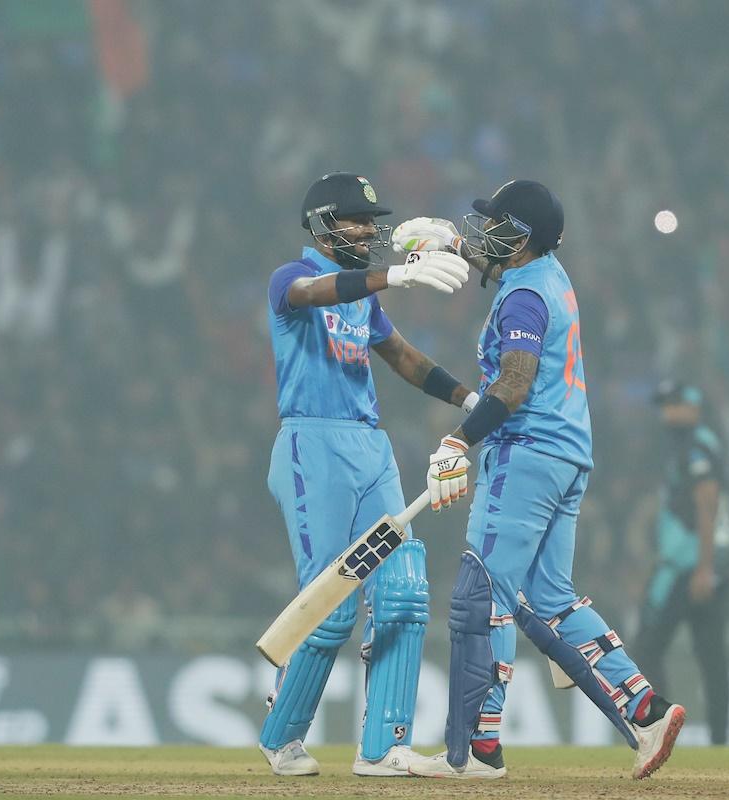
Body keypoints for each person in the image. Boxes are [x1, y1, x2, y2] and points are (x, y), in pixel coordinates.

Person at [406, 180, 685, 780]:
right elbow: (505, 270)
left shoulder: (525, 297)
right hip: (566, 456)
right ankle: (647, 708)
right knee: (551, 600)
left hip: (525, 454)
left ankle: (475, 752)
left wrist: (459, 439)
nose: (488, 231)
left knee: (482, 598)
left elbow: (515, 382)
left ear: (523, 236)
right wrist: (455, 243)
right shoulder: (548, 275)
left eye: (496, 224)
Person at [259, 172, 475, 777]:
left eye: (369, 223)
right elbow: (311, 293)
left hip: (369, 448)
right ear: (324, 222)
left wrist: (468, 400)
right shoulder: (290, 277)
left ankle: (384, 747)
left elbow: (403, 357)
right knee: (329, 605)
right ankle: (283, 738)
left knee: (403, 591)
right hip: (313, 446)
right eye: (355, 220)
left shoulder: (362, 297)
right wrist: (397, 274)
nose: (366, 231)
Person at [640, 381, 729, 745]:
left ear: (693, 405)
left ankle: (661, 726)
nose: (666, 412)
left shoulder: (694, 446)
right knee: (712, 655)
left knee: (648, 646)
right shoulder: (698, 443)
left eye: (673, 404)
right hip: (706, 565)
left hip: (689, 567)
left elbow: (706, 505)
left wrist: (703, 568)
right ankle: (721, 741)